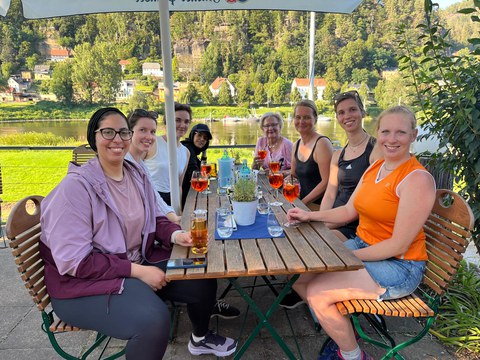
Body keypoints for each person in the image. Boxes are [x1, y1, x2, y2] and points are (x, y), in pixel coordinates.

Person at [39, 107, 237, 360]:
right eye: (108, 132)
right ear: (94, 137)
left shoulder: (135, 173)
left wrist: (176, 236)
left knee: (200, 273)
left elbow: (154, 216)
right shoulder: (75, 189)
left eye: (123, 132)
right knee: (153, 321)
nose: (117, 139)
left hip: (134, 262)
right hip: (81, 287)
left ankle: (200, 338)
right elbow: (75, 262)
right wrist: (139, 271)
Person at [287, 106, 436, 360]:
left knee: (318, 292)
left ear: (414, 135)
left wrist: (346, 259)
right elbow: (347, 211)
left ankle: (353, 355)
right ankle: (345, 333)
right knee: (302, 280)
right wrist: (309, 215)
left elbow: (398, 246)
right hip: (365, 246)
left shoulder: (416, 179)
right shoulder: (375, 168)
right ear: (378, 133)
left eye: (401, 132)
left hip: (399, 267)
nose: (392, 139)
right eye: (386, 131)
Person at [320, 90, 382, 241]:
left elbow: (370, 200)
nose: (347, 116)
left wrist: (326, 226)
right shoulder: (338, 155)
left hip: (356, 224)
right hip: (334, 219)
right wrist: (322, 221)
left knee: (322, 243)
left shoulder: (376, 150)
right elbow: (329, 194)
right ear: (337, 118)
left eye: (352, 109)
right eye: (341, 112)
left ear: (363, 112)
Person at [125, 108, 181, 224]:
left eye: (153, 132)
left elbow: (155, 197)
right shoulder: (123, 165)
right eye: (143, 130)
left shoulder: (140, 165)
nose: (149, 137)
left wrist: (175, 219)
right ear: (128, 132)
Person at [144, 102, 191, 206]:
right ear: (167, 121)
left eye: (186, 121)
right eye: (177, 120)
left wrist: (178, 211)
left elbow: (179, 185)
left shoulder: (186, 152)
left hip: (172, 201)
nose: (183, 125)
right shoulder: (153, 142)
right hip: (151, 200)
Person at [291, 100, 333, 209]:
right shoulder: (296, 145)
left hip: (320, 207)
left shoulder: (322, 143)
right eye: (298, 117)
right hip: (303, 204)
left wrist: (302, 204)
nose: (301, 121)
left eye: (307, 117)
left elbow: (327, 181)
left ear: (315, 119)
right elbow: (293, 175)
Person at [181, 123, 212, 209]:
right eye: (199, 135)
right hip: (183, 195)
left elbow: (201, 167)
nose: (202, 139)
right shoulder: (188, 148)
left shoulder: (193, 149)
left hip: (187, 191)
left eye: (205, 138)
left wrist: (204, 152)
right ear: (192, 134)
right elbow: (194, 173)